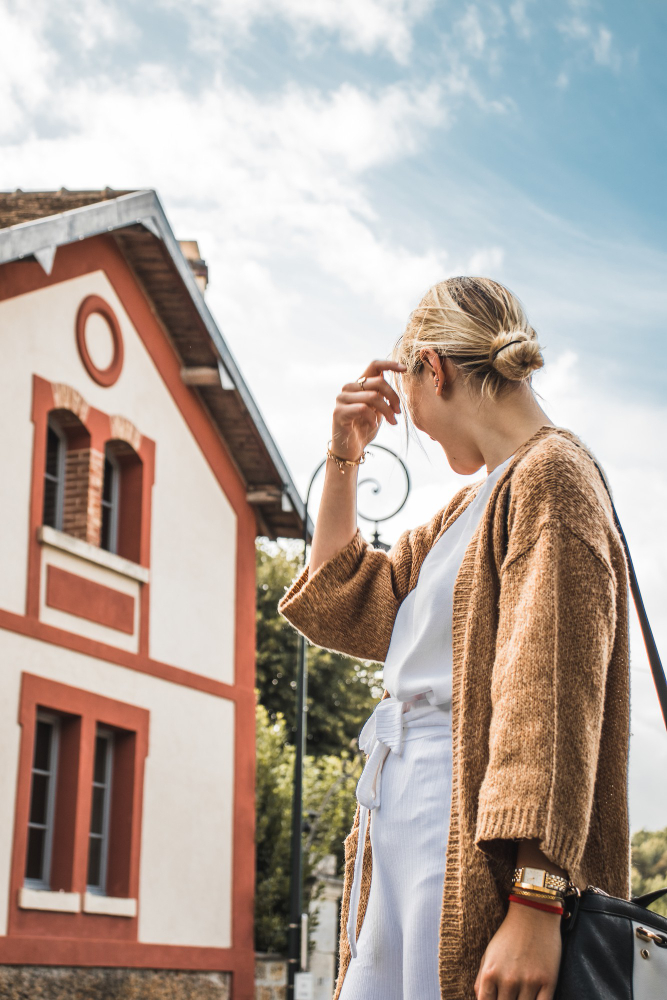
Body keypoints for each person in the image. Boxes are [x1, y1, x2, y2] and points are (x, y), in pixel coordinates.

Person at [278, 276, 630, 1000]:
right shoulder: (473, 504)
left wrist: (535, 901)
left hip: (468, 834)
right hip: (406, 828)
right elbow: (347, 601)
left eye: (408, 397)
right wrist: (343, 458)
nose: (416, 423)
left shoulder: (552, 477)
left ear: (432, 370)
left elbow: (549, 698)